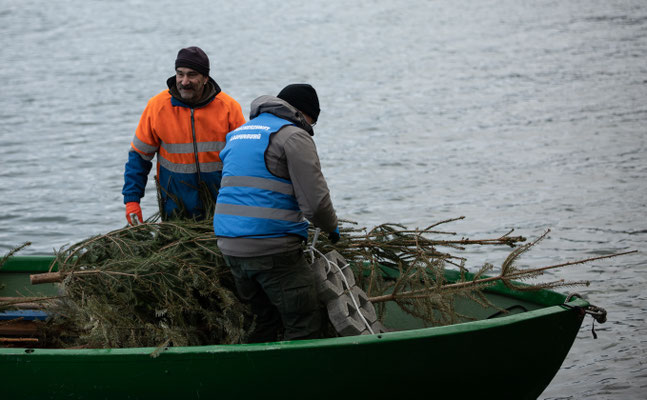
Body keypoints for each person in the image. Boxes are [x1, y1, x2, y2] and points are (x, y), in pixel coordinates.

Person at [213, 84, 340, 342]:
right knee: (304, 322)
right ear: (303, 114)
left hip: (230, 247)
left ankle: (258, 377)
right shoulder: (293, 136)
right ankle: (297, 380)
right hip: (272, 249)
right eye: (311, 122)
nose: (309, 128)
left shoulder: (239, 134)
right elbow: (315, 204)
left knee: (264, 321)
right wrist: (331, 227)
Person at [122, 46, 246, 224]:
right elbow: (138, 158)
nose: (184, 81)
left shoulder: (228, 108)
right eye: (180, 74)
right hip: (174, 211)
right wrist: (132, 201)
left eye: (192, 75)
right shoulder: (157, 107)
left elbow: (244, 161)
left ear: (205, 78)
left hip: (221, 208)